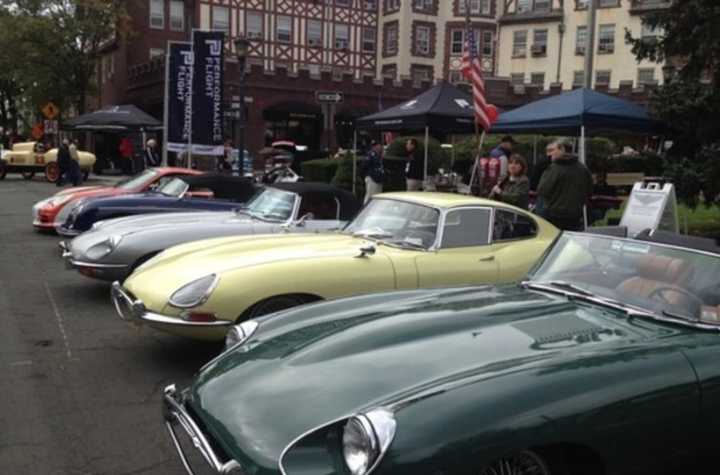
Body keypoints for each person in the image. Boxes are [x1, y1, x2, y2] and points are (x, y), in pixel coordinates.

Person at [537, 140, 593, 231]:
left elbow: (542, 190)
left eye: (553, 150)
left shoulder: (554, 168)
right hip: (575, 214)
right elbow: (589, 190)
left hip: (554, 214)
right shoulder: (583, 169)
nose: (550, 154)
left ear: (562, 149)